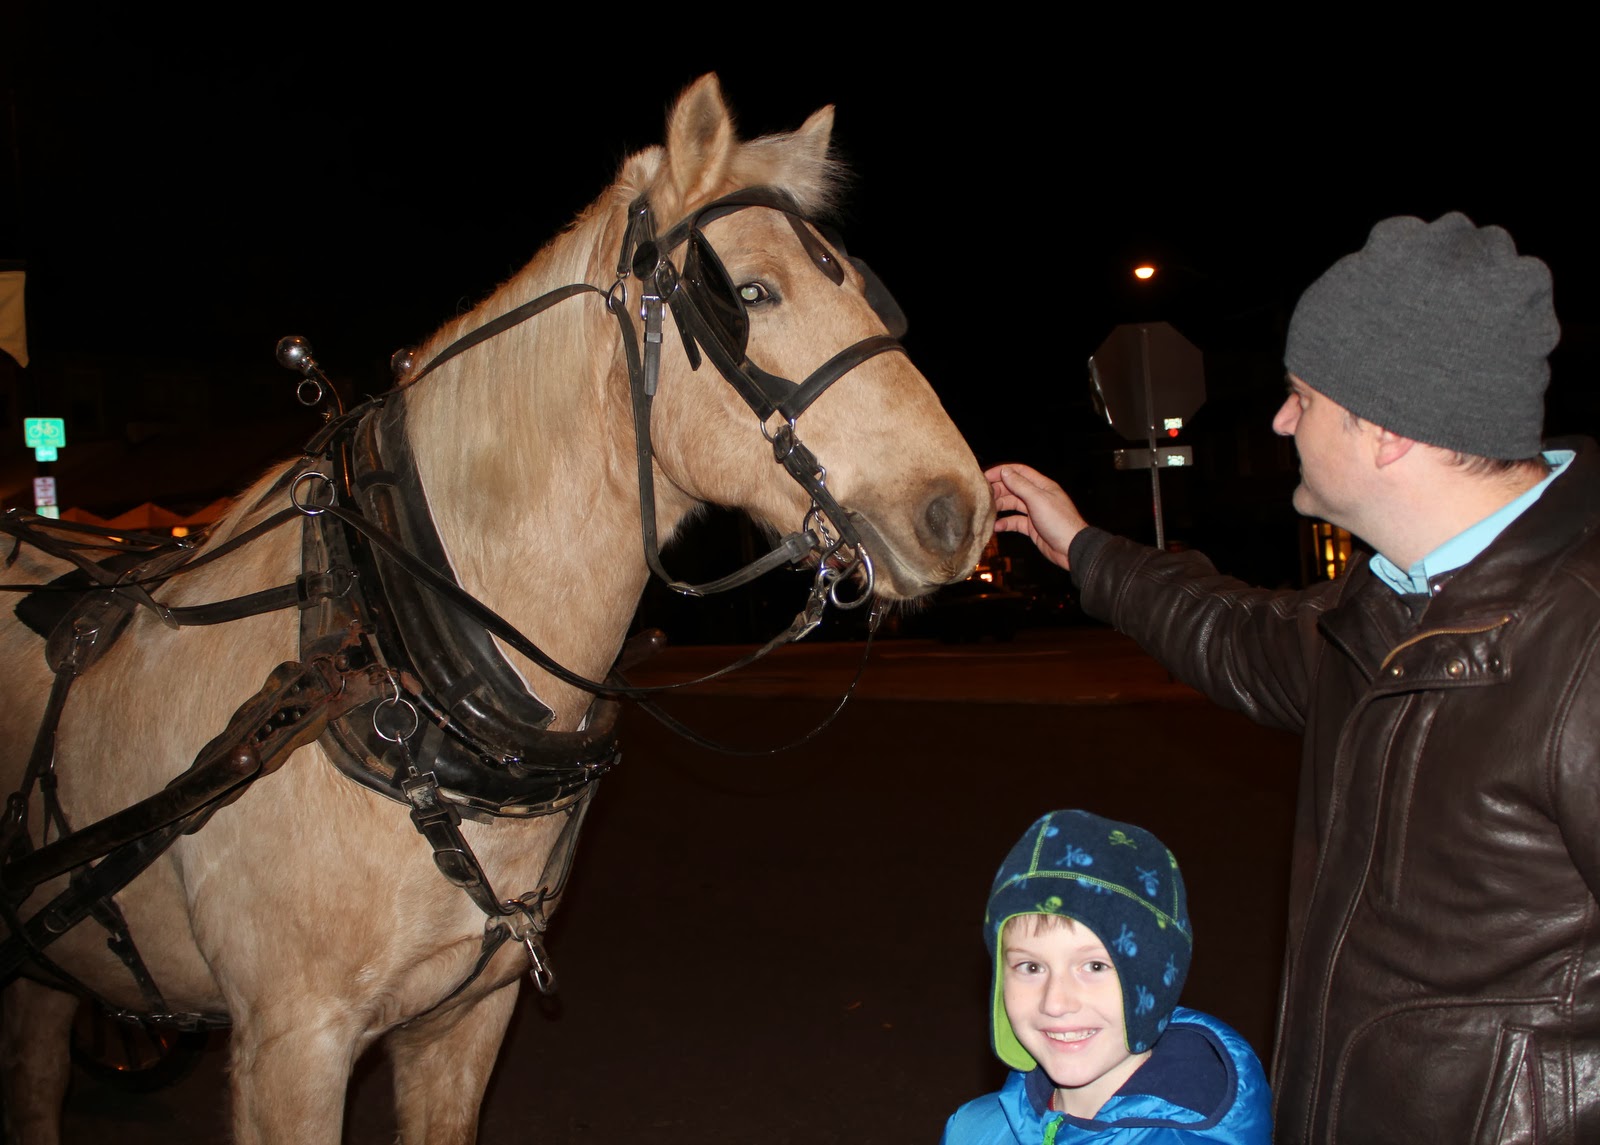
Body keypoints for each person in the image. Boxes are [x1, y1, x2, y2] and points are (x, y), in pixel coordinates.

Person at [986, 212, 1600, 1144]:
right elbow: (1231, 632)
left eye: (1302, 396)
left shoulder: (1582, 642)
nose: (1279, 420)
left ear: (1387, 428)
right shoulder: (1389, 610)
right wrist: (1080, 549)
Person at [942, 809, 1272, 1144]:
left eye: (1095, 966)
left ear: (1155, 980)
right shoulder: (973, 1131)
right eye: (1031, 967)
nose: (1055, 1002)